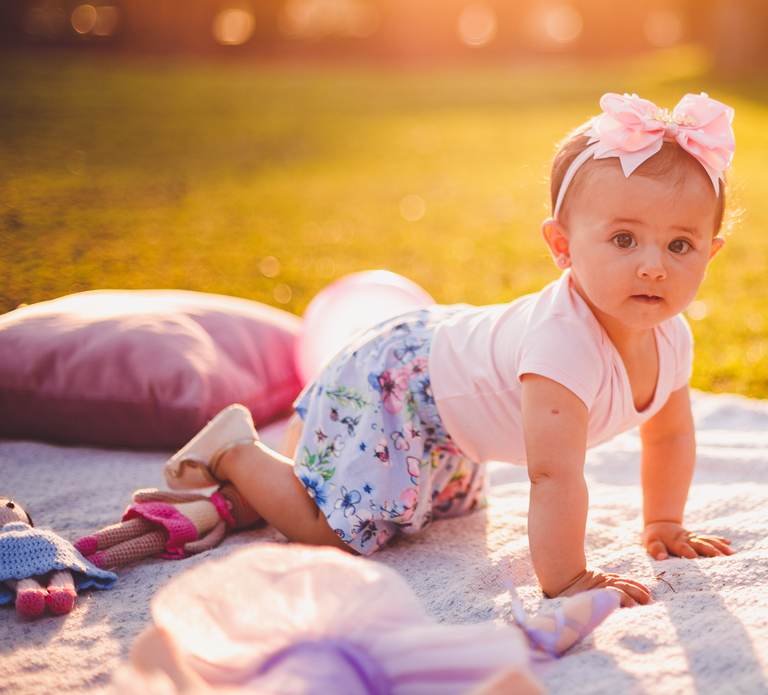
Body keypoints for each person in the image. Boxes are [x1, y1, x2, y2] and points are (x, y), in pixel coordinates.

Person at [163, 92, 737, 612]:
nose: (653, 265)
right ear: (562, 245)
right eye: (623, 239)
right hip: (398, 384)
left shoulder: (672, 335)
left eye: (679, 244)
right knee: (335, 532)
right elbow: (553, 475)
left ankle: (289, 473)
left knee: (430, 514)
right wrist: (567, 579)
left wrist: (664, 521)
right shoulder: (564, 343)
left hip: (451, 409)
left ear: (709, 256)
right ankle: (236, 449)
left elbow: (668, 436)